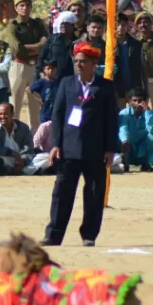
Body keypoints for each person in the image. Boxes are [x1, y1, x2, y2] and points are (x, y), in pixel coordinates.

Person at [43, 42, 119, 247]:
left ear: (94, 63)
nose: (78, 65)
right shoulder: (66, 83)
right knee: (62, 194)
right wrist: (55, 144)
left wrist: (111, 148)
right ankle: (53, 235)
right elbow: (57, 116)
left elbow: (112, 119)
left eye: (82, 61)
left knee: (94, 194)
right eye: (76, 61)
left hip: (96, 150)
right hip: (68, 149)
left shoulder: (105, 86)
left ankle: (89, 235)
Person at [0, 0, 47, 129]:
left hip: (35, 68)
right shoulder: (12, 26)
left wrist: (29, 48)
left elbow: (45, 44)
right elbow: (18, 49)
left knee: (35, 109)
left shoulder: (37, 24)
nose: (25, 8)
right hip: (19, 67)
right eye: (21, 5)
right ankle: (13, 141)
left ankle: (35, 143)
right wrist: (37, 46)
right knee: (14, 107)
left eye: (27, 5)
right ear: (16, 8)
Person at [0, 103, 35, 175]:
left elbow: (28, 148)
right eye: (0, 114)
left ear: (12, 114)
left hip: (22, 160)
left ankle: (18, 170)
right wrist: (11, 153)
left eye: (5, 114)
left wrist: (22, 161)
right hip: (5, 158)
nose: (2, 116)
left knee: (44, 157)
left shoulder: (23, 128)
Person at [111, 12, 146, 104]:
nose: (120, 27)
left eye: (123, 25)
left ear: (127, 26)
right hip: (117, 90)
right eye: (117, 25)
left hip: (134, 89)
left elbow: (142, 68)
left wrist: (145, 90)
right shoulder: (109, 45)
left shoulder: (136, 44)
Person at [117, 87, 153, 172]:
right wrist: (125, 140)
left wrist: (147, 112)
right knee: (122, 137)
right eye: (134, 100)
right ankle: (124, 161)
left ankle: (147, 163)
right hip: (128, 148)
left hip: (143, 149)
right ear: (129, 102)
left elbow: (151, 130)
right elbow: (123, 129)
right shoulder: (124, 113)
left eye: (140, 100)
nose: (137, 103)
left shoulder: (149, 114)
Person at [37, 11, 76, 80]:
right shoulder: (52, 39)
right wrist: (42, 75)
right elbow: (41, 58)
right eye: (61, 24)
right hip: (52, 80)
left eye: (66, 23)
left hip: (71, 81)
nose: (63, 25)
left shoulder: (77, 42)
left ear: (72, 25)